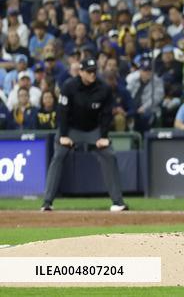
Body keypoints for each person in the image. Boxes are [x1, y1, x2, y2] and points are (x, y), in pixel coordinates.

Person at [41, 58, 128, 212]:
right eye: (89, 71)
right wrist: (63, 135)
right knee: (59, 155)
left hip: (93, 130)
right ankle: (47, 202)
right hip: (71, 129)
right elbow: (62, 112)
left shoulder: (104, 88)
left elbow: (107, 115)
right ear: (81, 72)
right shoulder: (69, 86)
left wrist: (103, 136)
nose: (92, 74)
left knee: (109, 155)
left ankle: (118, 202)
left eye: (94, 71)